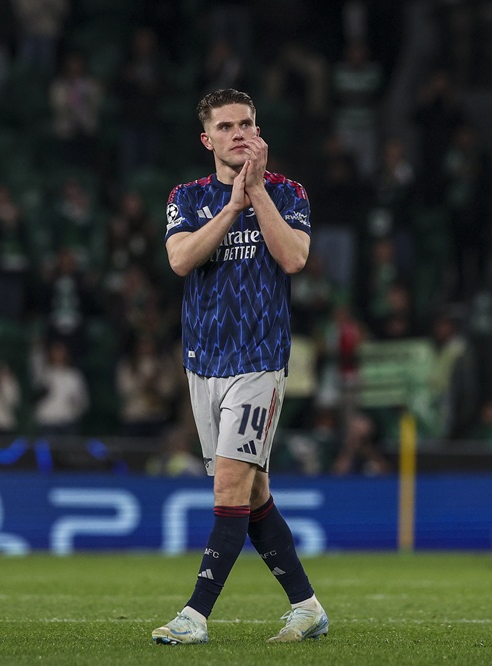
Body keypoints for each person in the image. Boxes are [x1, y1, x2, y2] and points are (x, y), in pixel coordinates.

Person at [151, 89, 328, 646]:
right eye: (226, 126)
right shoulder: (188, 196)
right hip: (204, 365)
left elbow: (294, 258)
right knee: (251, 495)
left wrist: (256, 194)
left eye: (246, 123)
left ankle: (194, 615)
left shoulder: (289, 193)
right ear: (208, 139)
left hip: (258, 363)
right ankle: (307, 607)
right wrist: (232, 205)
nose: (238, 134)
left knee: (229, 485)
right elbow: (180, 260)